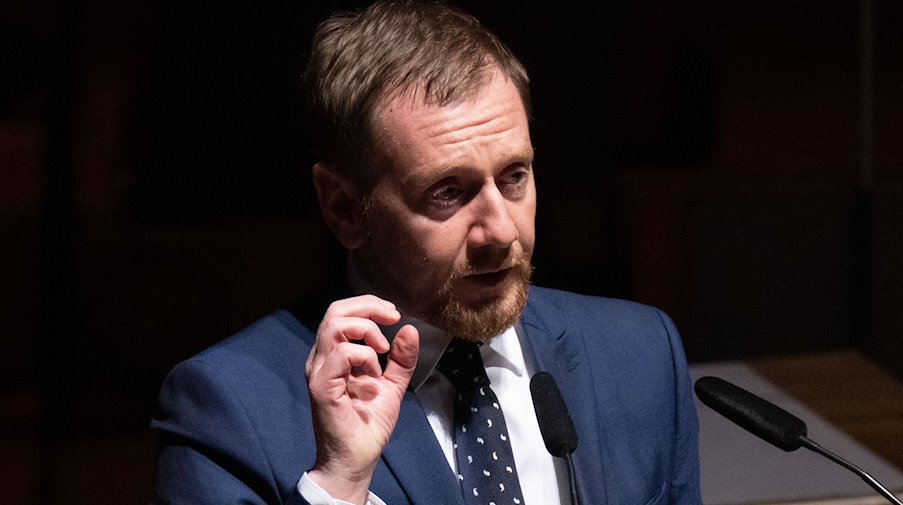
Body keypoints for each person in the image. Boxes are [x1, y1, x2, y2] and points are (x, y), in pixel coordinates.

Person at [151, 2, 701, 504]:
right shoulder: (230, 409)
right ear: (344, 208)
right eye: (447, 193)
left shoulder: (639, 356)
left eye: (514, 177)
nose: (500, 232)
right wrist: (339, 485)